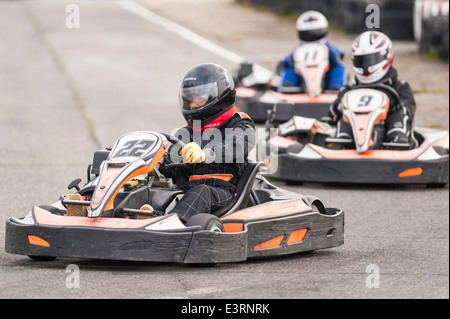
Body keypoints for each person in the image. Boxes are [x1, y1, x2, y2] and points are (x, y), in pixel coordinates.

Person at [160, 63, 256, 224]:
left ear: (218, 96)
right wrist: (159, 159)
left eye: (199, 98)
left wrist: (206, 154)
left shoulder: (240, 123)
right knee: (151, 189)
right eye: (190, 99)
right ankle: (136, 218)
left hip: (223, 191)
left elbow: (237, 145)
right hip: (188, 190)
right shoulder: (187, 132)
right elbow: (173, 169)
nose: (193, 105)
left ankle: (170, 226)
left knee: (201, 192)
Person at [329, 31, 417, 148]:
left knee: (399, 112)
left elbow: (409, 110)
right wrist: (342, 106)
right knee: (344, 116)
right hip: (352, 144)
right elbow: (332, 113)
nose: (365, 66)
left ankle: (396, 141)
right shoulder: (348, 90)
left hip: (387, 140)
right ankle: (341, 144)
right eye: (361, 61)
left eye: (370, 60)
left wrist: (388, 104)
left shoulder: (400, 87)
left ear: (387, 57)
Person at [277, 10, 348, 93]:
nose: (311, 36)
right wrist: (283, 64)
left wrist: (334, 59)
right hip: (302, 77)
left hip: (325, 76)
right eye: (307, 34)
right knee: (289, 70)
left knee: (339, 69)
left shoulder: (328, 48)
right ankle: (288, 89)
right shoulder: (299, 51)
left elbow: (339, 57)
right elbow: (288, 60)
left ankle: (336, 89)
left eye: (316, 33)